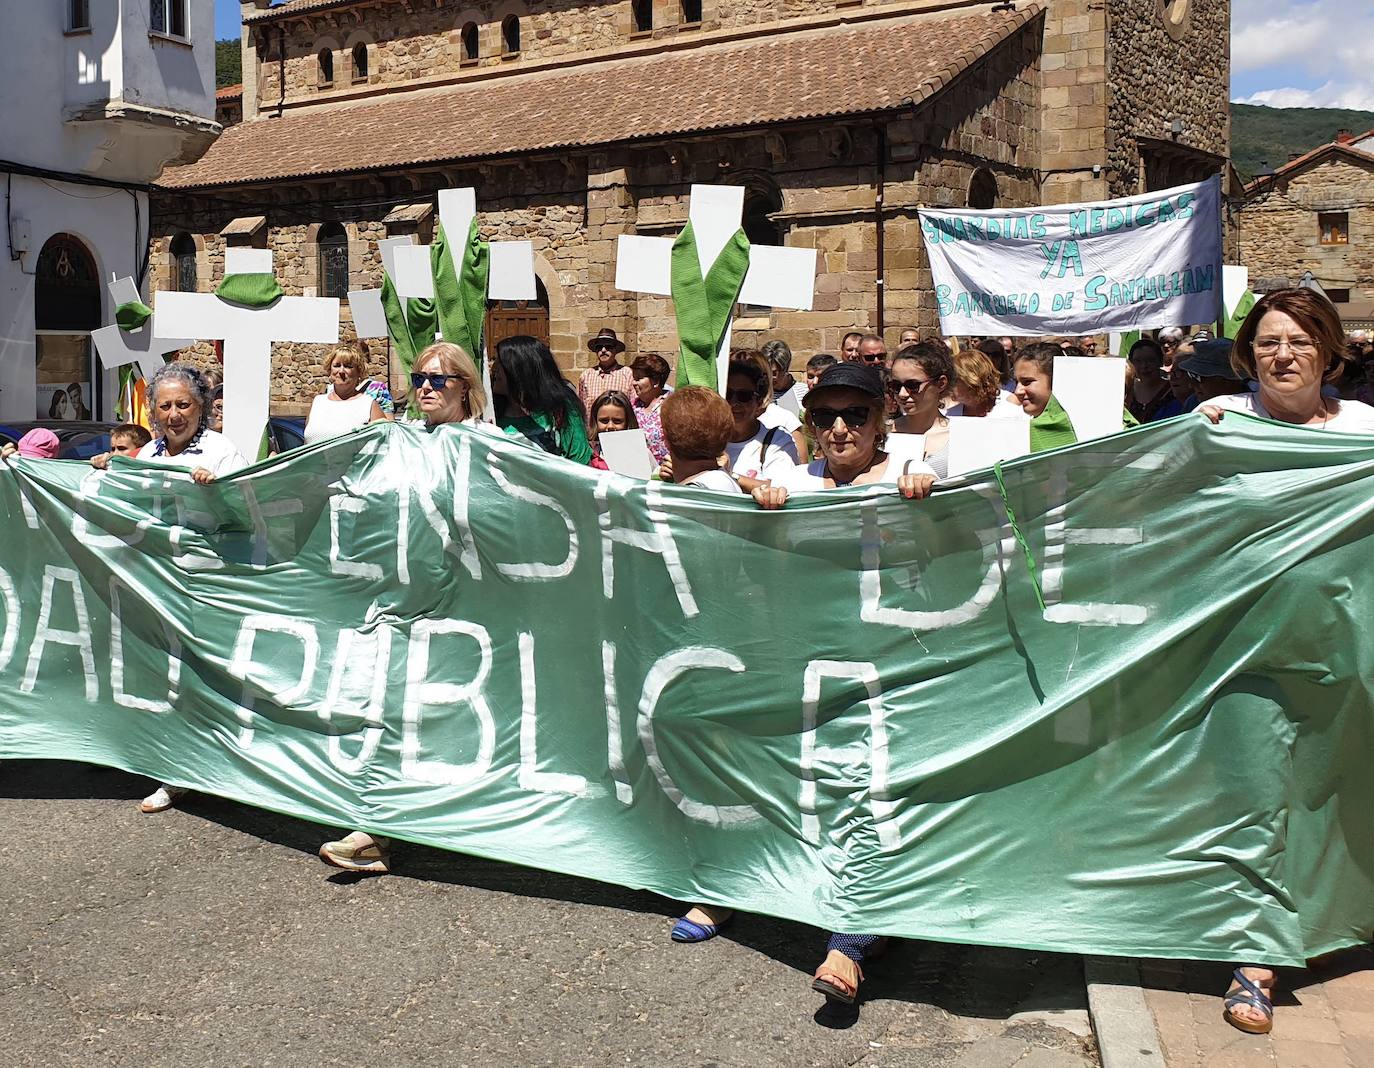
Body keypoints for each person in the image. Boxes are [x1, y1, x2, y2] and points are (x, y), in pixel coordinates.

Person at [1195, 289, 1374, 1037]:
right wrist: (1189, 439)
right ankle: (1257, 957)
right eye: (1268, 342)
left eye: (1300, 340)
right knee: (1257, 793)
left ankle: (1344, 919)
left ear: (1328, 351)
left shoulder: (1366, 430)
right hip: (1247, 648)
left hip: (1345, 645)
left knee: (1335, 790)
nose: (1284, 354)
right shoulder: (1224, 425)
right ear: (1248, 354)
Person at [318, 342, 488, 876]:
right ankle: (378, 831)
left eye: (440, 380)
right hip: (405, 602)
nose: (427, 388)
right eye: (419, 379)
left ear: (466, 386)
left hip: (472, 609)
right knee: (396, 710)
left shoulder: (491, 445)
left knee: (452, 720)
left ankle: (437, 822)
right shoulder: (398, 441)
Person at [89, 363, 248, 815]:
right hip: (155, 585)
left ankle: (228, 764)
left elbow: (250, 511)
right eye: (165, 406)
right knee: (165, 678)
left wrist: (219, 489)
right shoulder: (147, 456)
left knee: (209, 678)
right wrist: (107, 468)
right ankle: (174, 771)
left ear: (201, 408)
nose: (175, 414)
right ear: (153, 413)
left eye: (184, 404)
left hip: (206, 585)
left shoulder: (220, 450)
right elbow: (118, 503)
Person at [754, 362, 936, 502]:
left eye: (855, 415)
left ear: (878, 422)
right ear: (811, 423)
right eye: (825, 416)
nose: (839, 429)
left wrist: (927, 503)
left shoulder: (911, 473)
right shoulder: (792, 483)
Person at [1012, 342, 1135, 452]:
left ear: (1056, 380)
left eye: (1027, 382)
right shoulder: (1013, 426)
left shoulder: (1107, 423)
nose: (1018, 391)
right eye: (1016, 382)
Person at [493, 335, 593, 464]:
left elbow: (580, 461)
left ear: (520, 369)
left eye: (500, 363)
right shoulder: (489, 412)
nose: (493, 368)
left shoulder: (561, 409)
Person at [722, 358, 800, 481]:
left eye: (744, 396)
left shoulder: (777, 440)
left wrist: (729, 476)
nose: (734, 403)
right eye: (728, 394)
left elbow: (781, 488)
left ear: (759, 401)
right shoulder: (707, 439)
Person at [303, 343, 390, 446]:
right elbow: (306, 445)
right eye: (336, 365)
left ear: (359, 372)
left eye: (348, 366)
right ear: (330, 370)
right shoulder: (318, 402)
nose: (341, 371)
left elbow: (385, 445)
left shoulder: (369, 405)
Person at [887, 342, 952, 478]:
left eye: (913, 385)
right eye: (896, 386)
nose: (902, 394)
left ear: (941, 383)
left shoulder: (959, 436)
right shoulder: (881, 434)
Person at [577, 328, 633, 420]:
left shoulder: (627, 374)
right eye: (599, 347)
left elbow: (633, 406)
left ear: (615, 350)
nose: (603, 350)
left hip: (619, 431)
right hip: (593, 431)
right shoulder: (586, 376)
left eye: (608, 346)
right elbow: (581, 408)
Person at [948, 349, 1020, 419]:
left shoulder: (1011, 411)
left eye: (954, 380)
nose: (949, 384)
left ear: (972, 381)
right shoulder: (949, 415)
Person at [628, 354, 671, 464]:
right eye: (634, 378)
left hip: (665, 472)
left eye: (638, 378)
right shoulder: (632, 406)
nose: (633, 383)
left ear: (656, 381)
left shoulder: (672, 406)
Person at [1177, 339, 1244, 405]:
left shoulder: (1251, 408)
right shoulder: (1193, 402)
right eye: (1191, 375)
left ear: (1228, 381)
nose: (1191, 385)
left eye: (1197, 377)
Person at [1126, 338, 1179, 422]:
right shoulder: (1127, 391)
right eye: (1138, 361)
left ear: (1160, 361)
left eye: (1150, 360)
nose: (1144, 366)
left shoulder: (1172, 391)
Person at [587, 390, 638, 471]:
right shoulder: (588, 454)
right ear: (595, 422)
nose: (610, 426)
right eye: (604, 421)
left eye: (617, 421)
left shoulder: (641, 454)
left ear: (627, 422)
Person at [763, 339, 807, 412]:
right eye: (766, 372)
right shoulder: (759, 395)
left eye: (774, 373)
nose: (770, 377)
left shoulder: (804, 393)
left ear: (785, 369)